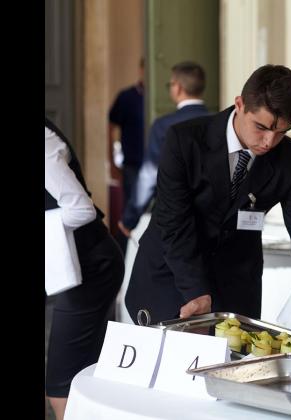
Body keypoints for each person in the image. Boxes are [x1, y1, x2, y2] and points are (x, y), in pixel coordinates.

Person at [124, 64, 291, 339]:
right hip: (171, 276)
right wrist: (196, 292)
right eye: (261, 127)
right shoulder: (185, 140)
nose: (269, 142)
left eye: (282, 132)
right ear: (239, 105)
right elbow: (173, 223)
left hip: (236, 285)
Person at [45, 118, 124, 420]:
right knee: (82, 381)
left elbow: (81, 209)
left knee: (60, 390)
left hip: (92, 267)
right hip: (71, 263)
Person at [118, 61, 210, 236]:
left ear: (178, 87)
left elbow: (149, 176)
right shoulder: (218, 122)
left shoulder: (163, 126)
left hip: (174, 217)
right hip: (210, 216)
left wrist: (130, 218)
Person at [108, 58, 145, 249]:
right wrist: (112, 162)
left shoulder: (164, 98)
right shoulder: (126, 97)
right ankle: (123, 258)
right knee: (130, 213)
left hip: (161, 165)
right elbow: (111, 126)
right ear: (141, 70)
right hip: (132, 165)